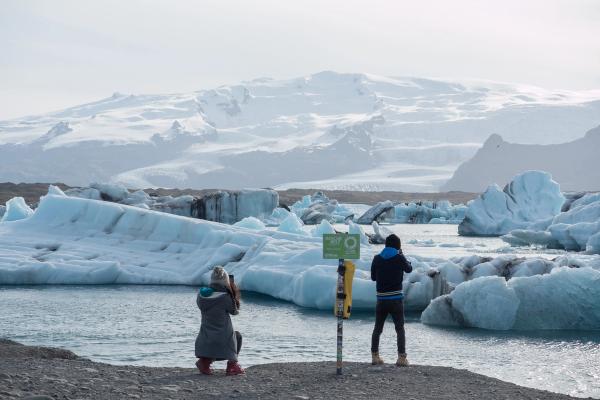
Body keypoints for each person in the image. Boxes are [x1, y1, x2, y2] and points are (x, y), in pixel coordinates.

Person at [370, 233, 413, 367]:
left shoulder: (377, 258)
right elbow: (409, 269)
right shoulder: (399, 258)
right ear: (398, 246)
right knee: (399, 329)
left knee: (377, 328)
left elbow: (373, 278)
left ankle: (375, 356)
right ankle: (401, 358)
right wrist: (402, 255)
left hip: (381, 299)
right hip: (396, 299)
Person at [195, 266, 245, 376]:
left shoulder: (201, 296)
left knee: (212, 339)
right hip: (222, 344)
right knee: (237, 336)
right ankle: (232, 365)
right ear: (225, 281)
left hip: (205, 344)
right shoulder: (225, 297)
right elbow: (235, 311)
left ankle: (204, 362)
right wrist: (233, 291)